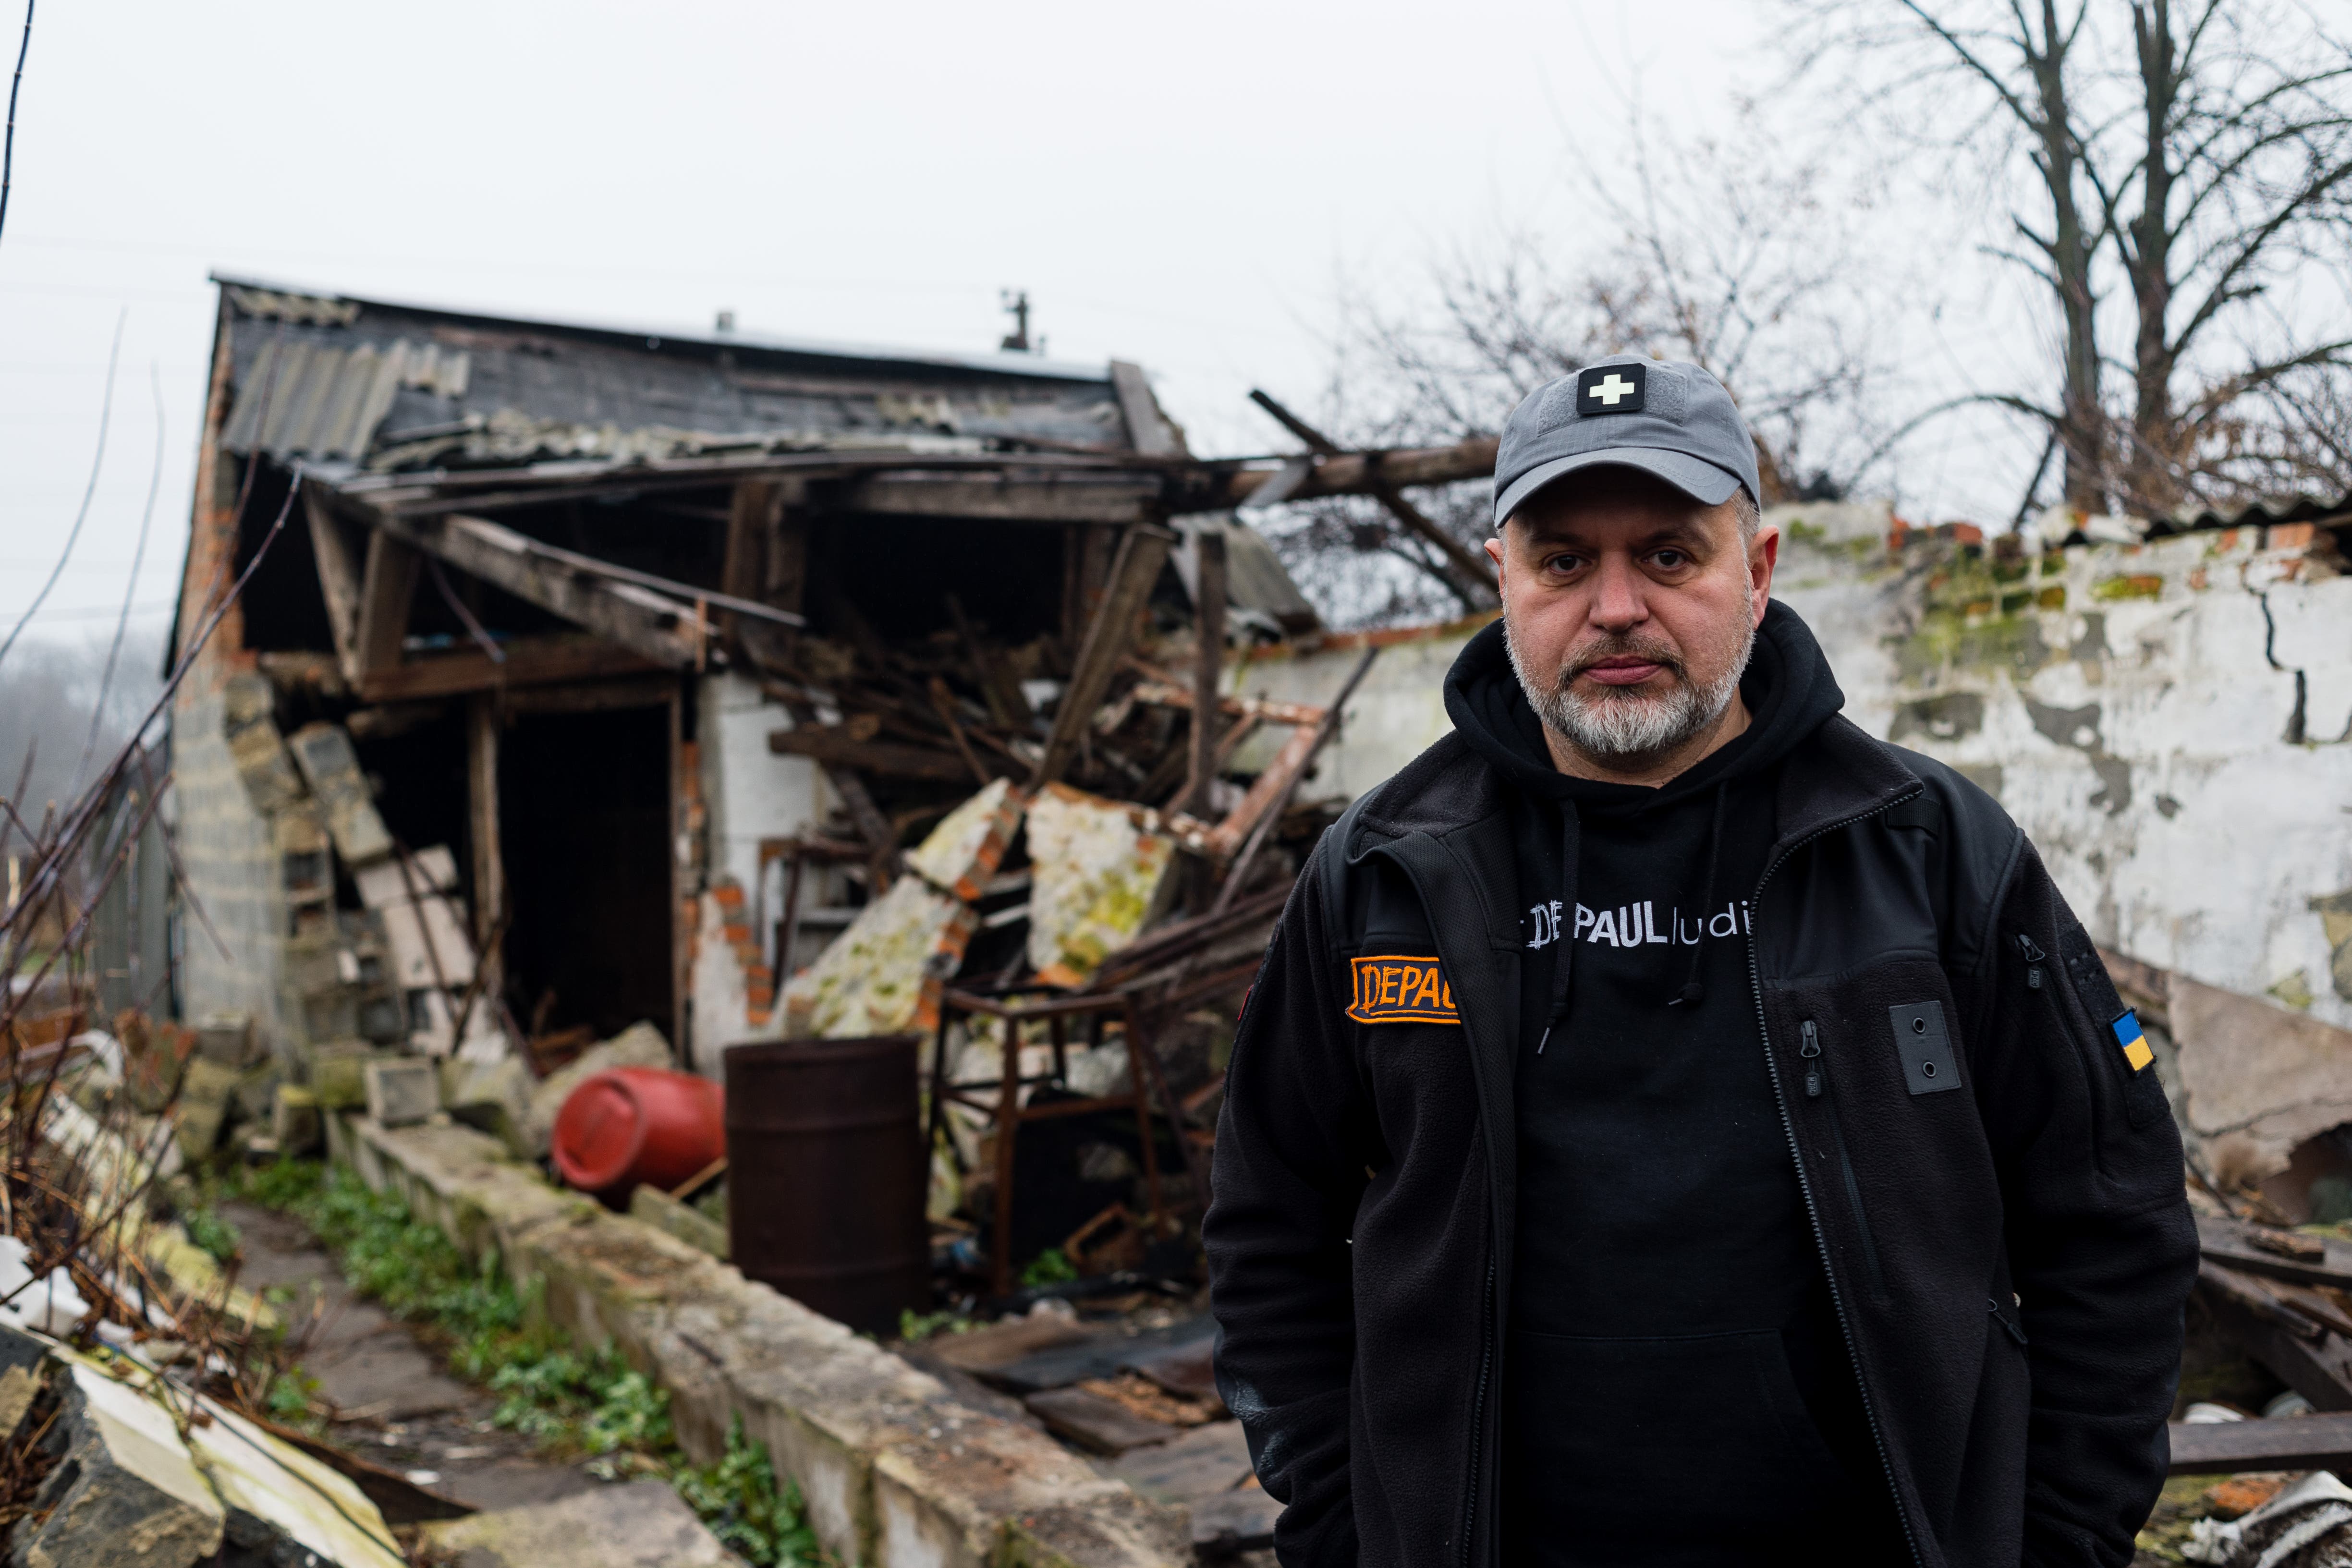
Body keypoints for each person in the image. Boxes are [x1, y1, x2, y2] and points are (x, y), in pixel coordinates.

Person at [1203, 354, 2197, 1568]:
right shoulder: (1383, 876)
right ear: (1500, 580)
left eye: (1669, 555)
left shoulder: (1928, 852)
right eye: (1563, 560)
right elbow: (1267, 1222)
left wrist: (2057, 1539)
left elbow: (2112, 1215)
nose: (1615, 607)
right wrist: (1341, 1527)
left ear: (1758, 569)